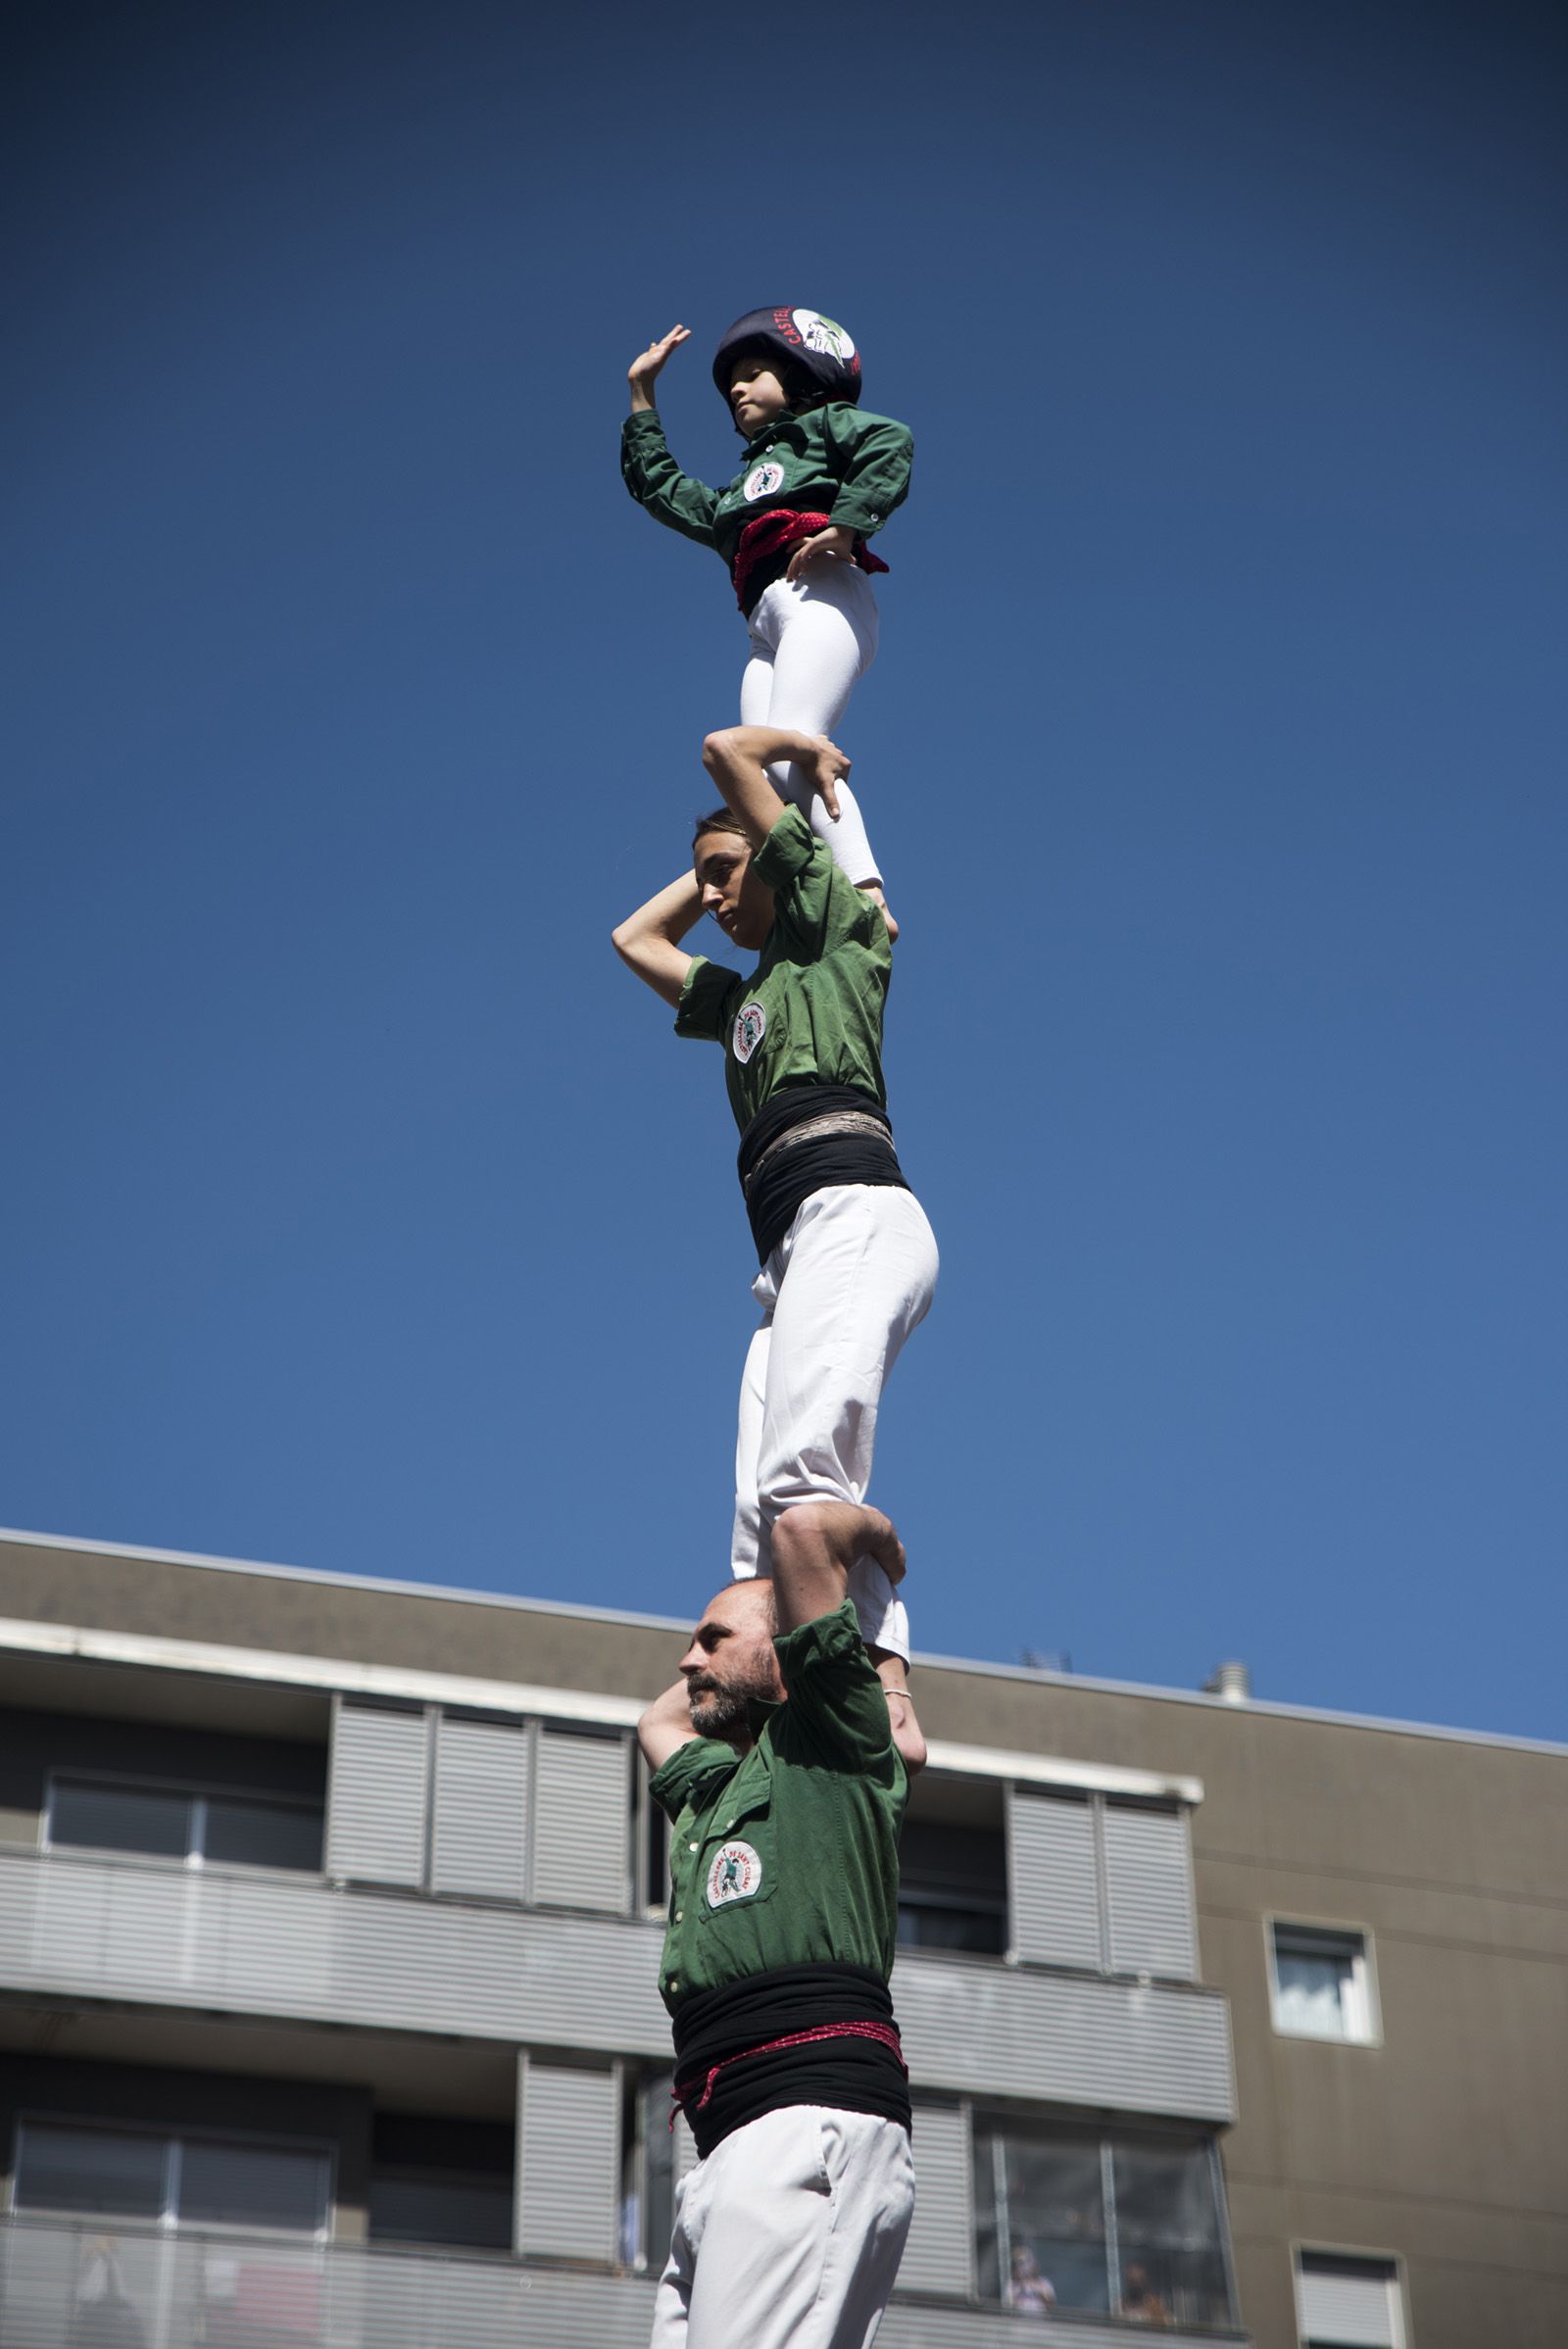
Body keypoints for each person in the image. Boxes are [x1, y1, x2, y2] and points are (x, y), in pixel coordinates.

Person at [611, 723, 938, 1721]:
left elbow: (725, 749)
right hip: (789, 1254)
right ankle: (792, 1694)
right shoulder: (742, 1003)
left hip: (852, 1214)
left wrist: (800, 757)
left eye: (725, 874)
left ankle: (875, 1694)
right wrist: (714, 859)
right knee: (761, 1519)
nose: (709, 898)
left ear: (782, 858)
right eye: (701, 881)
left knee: (805, 1475)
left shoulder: (834, 931)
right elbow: (634, 941)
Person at [638, 1498, 917, 2349]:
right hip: (728, 2147)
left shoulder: (831, 1745)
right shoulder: (719, 1789)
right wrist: (744, 1640)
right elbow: (657, 1723)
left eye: (712, 1638)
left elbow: (802, 1531)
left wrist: (876, 1565)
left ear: (785, 1648)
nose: (688, 1659)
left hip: (805, 2122)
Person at [621, 310, 912, 918]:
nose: (736, 388)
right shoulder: (734, 499)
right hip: (765, 627)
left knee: (792, 745)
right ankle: (812, 899)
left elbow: (889, 441)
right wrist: (641, 394)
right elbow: (659, 487)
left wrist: (845, 525)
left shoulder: (824, 426)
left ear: (802, 378)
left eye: (754, 374)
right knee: (763, 771)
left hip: (822, 591)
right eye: (733, 383)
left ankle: (867, 897)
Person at [1005, 2244, 1057, 2316]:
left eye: (1026, 2262)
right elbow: (1008, 2307)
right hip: (1019, 2321)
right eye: (1019, 2263)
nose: (1023, 2267)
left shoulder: (1043, 2282)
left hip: (1040, 2321)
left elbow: (1052, 2307)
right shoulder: (1012, 2285)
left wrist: (1040, 2294)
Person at [1121, 2262, 1173, 2326]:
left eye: (1137, 2281)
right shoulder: (1121, 2304)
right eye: (1132, 2281)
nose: (1134, 2277)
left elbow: (1164, 2325)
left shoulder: (1155, 2302)